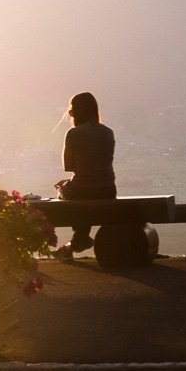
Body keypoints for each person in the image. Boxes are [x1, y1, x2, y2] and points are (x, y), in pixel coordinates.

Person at [51, 91, 116, 258]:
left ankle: (80, 239)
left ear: (76, 112)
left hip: (82, 190)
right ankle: (77, 241)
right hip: (108, 190)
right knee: (82, 195)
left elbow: (69, 166)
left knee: (65, 191)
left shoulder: (74, 133)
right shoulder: (108, 132)